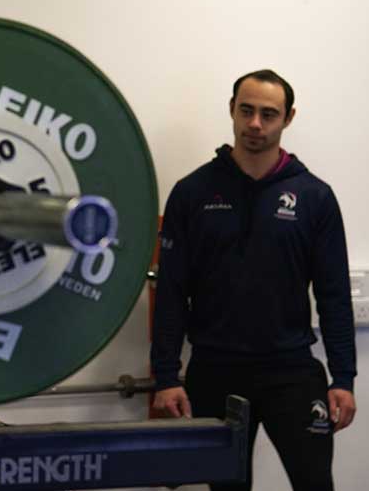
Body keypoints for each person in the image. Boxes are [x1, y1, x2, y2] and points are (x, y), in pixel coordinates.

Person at [150, 69, 357, 490]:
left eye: (268, 114)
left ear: (288, 118)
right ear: (232, 110)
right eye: (246, 111)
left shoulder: (314, 197)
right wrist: (167, 376)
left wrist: (344, 378)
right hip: (215, 372)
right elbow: (171, 292)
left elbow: (334, 295)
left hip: (292, 372)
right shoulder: (191, 192)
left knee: (315, 483)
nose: (255, 124)